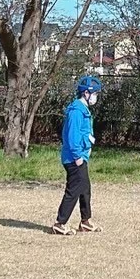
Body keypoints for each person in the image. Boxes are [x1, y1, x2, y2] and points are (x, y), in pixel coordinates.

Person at [51, 75, 102, 236]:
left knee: (85, 188)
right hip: (74, 158)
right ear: (86, 93)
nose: (96, 97)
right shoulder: (76, 111)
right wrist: (78, 156)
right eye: (94, 94)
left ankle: (85, 221)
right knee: (74, 189)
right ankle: (60, 223)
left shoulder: (83, 110)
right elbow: (72, 137)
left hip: (81, 156)